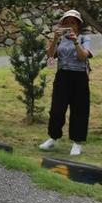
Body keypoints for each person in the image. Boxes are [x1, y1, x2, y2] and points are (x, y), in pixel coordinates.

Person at [39, 9, 94, 156]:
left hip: (79, 77)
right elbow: (50, 55)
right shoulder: (60, 39)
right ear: (62, 25)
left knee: (79, 110)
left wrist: (76, 41)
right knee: (57, 109)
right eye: (67, 23)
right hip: (62, 76)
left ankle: (77, 143)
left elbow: (83, 57)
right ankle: (53, 138)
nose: (70, 25)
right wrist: (55, 39)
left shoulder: (84, 39)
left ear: (78, 25)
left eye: (73, 23)